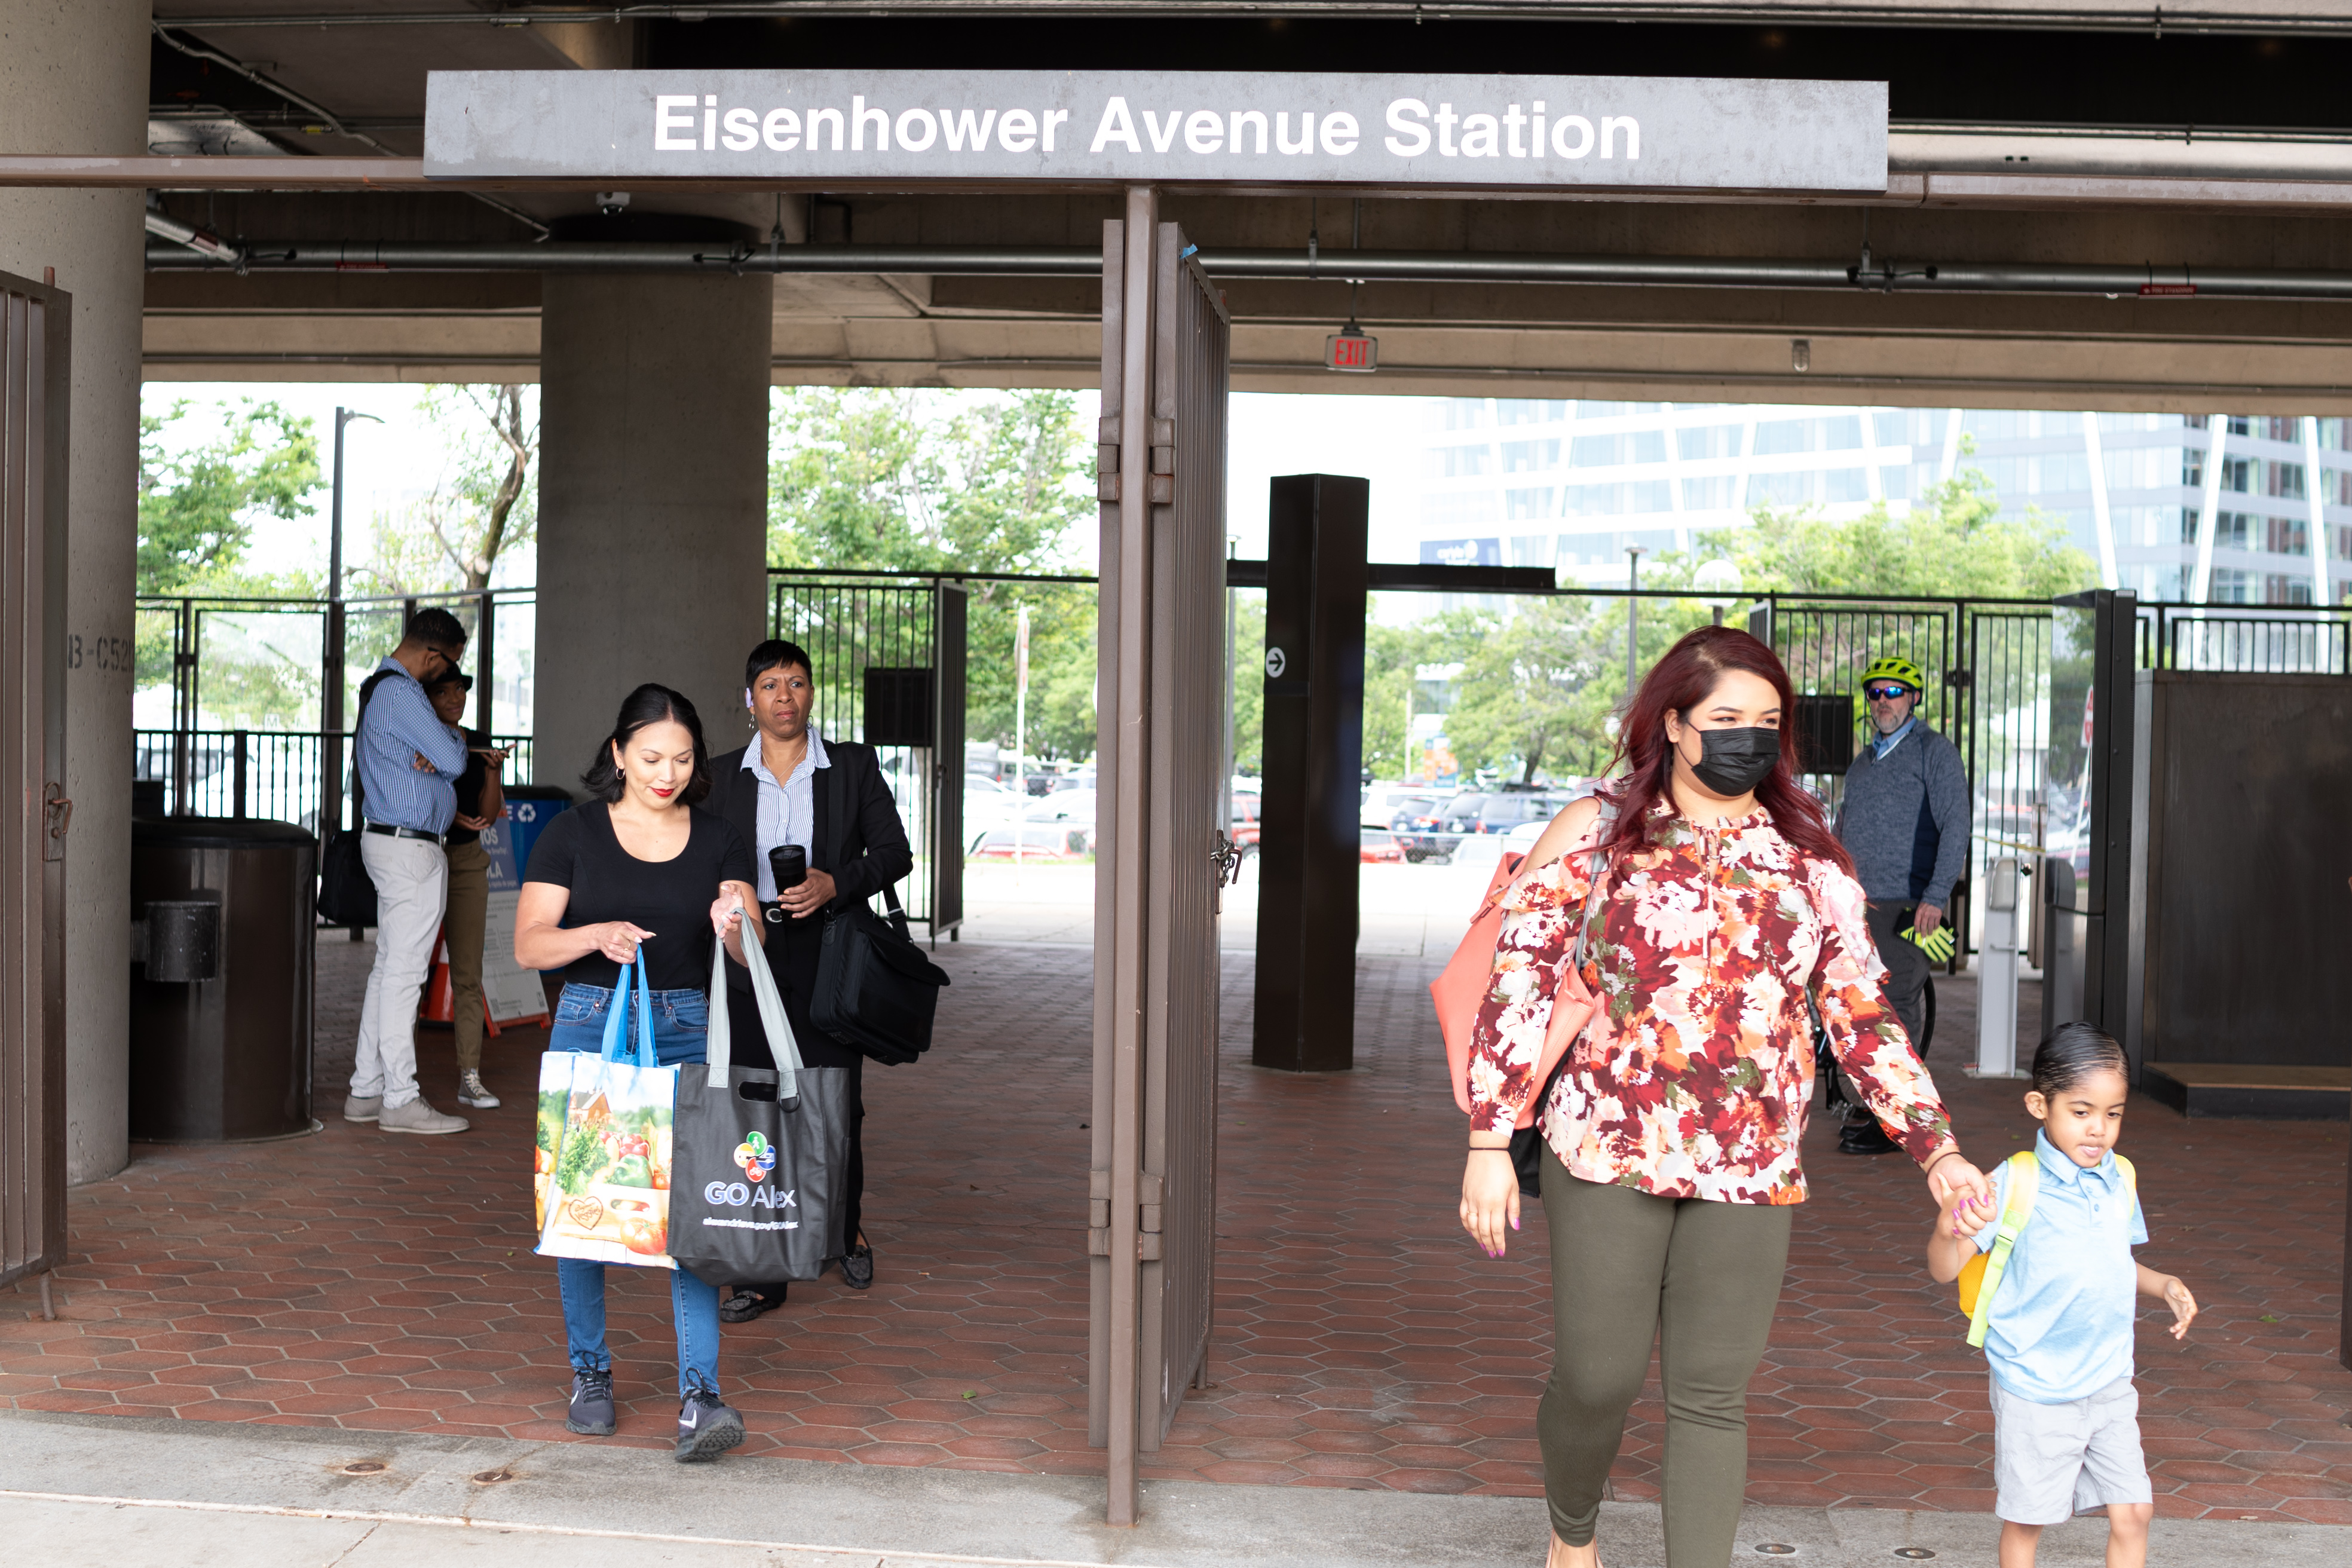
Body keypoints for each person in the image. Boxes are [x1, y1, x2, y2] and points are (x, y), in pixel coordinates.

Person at [1459, 626, 1993, 1568]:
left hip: (1750, 1161)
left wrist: (1937, 1148)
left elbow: (1863, 1018)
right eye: (1727, 719)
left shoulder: (1810, 858)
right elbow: (1521, 982)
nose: (1750, 736)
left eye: (1768, 722)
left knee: (1711, 1393)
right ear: (1675, 723)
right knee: (1599, 1376)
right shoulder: (1596, 832)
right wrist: (1490, 1140)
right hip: (1609, 1143)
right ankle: (1571, 1531)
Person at [513, 684, 763, 1462]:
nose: (668, 773)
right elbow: (530, 945)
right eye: (653, 757)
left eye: (684, 759)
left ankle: (701, 1396)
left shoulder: (721, 837)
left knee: (687, 1216)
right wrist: (596, 933)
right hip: (592, 1018)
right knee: (585, 1205)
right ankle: (591, 1377)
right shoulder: (573, 831)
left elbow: (748, 954)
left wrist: (736, 923)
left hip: (686, 1024)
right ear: (619, 753)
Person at [1927, 1024, 2197, 1568]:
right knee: (2029, 1520)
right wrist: (1945, 1229)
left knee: (2134, 1512)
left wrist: (2163, 1283)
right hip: (2035, 1384)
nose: (2099, 1129)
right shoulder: (2011, 1184)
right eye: (2081, 1111)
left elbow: (2112, 1263)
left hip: (2108, 1381)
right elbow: (1944, 1269)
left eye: (2113, 1113)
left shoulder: (2119, 1178)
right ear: (2039, 1105)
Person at [702, 638, 914, 1323]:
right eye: (769, 684)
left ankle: (841, 1228)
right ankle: (764, 1266)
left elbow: (894, 852)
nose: (784, 696)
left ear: (812, 693)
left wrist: (835, 881)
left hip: (830, 954)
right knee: (756, 1100)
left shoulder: (850, 766)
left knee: (832, 1099)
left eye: (796, 682)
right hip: (751, 953)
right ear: (750, 698)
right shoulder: (721, 775)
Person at [1832, 654, 1970, 1155]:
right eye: (1876, 693)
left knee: (1897, 1008)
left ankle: (1897, 1122)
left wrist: (1937, 896)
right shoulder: (1863, 762)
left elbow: (1956, 825)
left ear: (1913, 698)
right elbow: (1843, 827)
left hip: (1910, 905)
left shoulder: (1934, 752)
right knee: (1863, 1009)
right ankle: (1871, 1105)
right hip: (1860, 907)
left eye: (1895, 692)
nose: (1884, 701)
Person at [344, 607, 474, 1136]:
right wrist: (446, 750)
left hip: (391, 843)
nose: (448, 680)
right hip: (412, 851)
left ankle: (365, 1090)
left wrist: (440, 754)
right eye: (448, 667)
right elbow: (455, 758)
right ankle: (400, 1097)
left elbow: (443, 756)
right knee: (404, 977)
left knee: (387, 972)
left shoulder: (382, 689)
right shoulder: (402, 692)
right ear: (431, 655)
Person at [424, 667, 508, 1110]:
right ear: (428, 697)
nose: (455, 698)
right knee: (407, 972)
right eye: (444, 691)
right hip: (423, 854)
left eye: (460, 689)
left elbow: (489, 815)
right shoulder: (420, 738)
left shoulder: (477, 740)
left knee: (468, 973)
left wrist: (493, 774)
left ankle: (469, 1076)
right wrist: (448, 813)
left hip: (468, 860)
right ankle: (392, 1077)